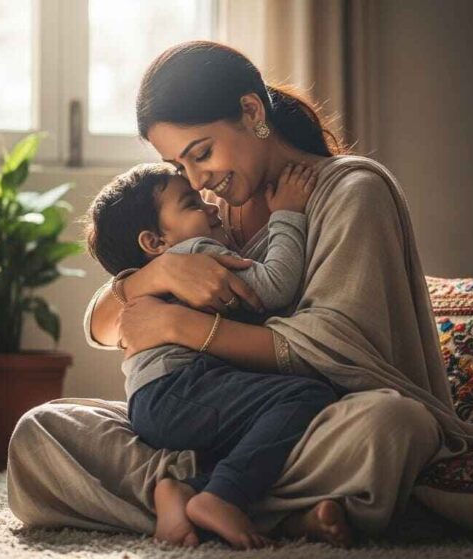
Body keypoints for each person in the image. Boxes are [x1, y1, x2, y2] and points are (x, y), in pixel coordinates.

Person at [6, 40, 473, 547]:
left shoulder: (353, 192)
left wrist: (181, 327)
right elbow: (103, 328)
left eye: (201, 154)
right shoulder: (210, 213)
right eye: (181, 166)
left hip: (316, 422)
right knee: (42, 430)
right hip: (227, 418)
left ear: (251, 111)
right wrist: (153, 278)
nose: (198, 178)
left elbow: (330, 350)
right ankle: (254, 505)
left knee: (392, 427)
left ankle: (186, 493)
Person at [82, 161, 338, 549]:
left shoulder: (170, 258)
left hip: (156, 400)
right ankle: (223, 497)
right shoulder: (199, 252)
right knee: (304, 395)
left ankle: (184, 492)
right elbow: (274, 286)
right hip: (181, 388)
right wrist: (288, 213)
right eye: (191, 204)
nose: (211, 206)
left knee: (246, 429)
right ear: (154, 243)